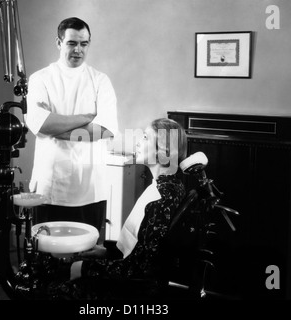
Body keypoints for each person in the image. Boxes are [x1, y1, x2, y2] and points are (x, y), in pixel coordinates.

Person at [45, 118, 188, 300]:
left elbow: (141, 270)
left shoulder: (161, 200)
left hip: (134, 290)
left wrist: (83, 268)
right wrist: (107, 251)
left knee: (54, 286)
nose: (137, 141)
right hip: (132, 275)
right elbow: (142, 250)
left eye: (144, 137)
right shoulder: (170, 186)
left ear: (163, 151)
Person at [25, 17, 118, 233]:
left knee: (86, 258)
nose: (78, 50)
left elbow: (104, 129)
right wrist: (87, 117)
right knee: (48, 256)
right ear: (59, 43)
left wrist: (59, 129)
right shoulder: (41, 79)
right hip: (50, 185)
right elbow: (43, 125)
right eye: (71, 43)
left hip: (90, 187)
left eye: (84, 44)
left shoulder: (100, 81)